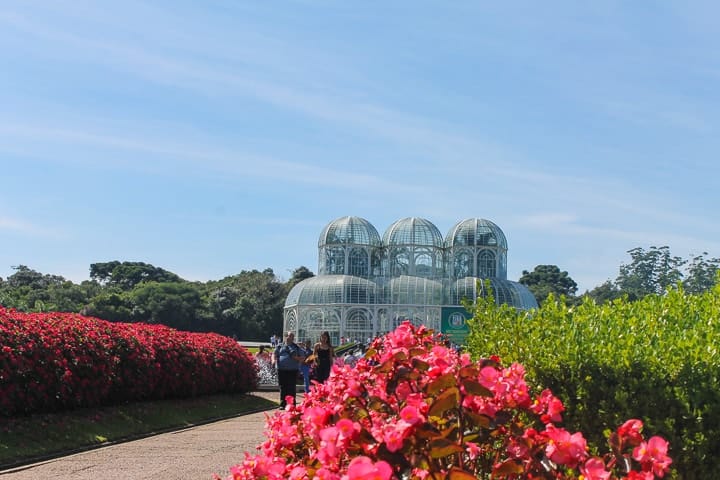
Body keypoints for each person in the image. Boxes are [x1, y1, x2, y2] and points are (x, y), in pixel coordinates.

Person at [274, 331, 305, 408]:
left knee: (291, 387)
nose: (290, 337)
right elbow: (274, 354)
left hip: (292, 370)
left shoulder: (296, 347)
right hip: (281, 370)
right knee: (283, 387)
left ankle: (291, 405)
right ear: (285, 337)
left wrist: (296, 358)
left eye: (292, 336)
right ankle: (283, 404)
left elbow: (303, 358)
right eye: (289, 336)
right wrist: (273, 360)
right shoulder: (279, 346)